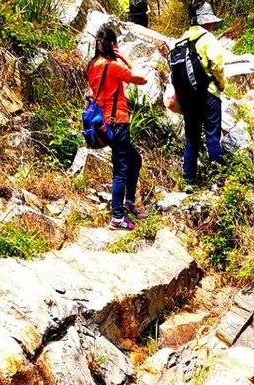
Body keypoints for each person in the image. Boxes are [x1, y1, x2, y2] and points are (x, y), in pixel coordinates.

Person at [86, 24, 147, 230]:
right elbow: (142, 79)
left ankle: (128, 202)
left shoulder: (92, 66)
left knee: (134, 160)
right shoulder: (112, 66)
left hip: (103, 124)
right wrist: (124, 58)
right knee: (121, 169)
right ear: (112, 45)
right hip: (117, 122)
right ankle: (117, 217)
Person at [175, 3, 226, 189]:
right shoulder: (207, 38)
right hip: (208, 93)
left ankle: (189, 181)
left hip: (188, 97)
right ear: (206, 22)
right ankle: (218, 180)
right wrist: (221, 84)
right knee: (212, 135)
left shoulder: (181, 40)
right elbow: (217, 64)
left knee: (191, 139)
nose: (212, 25)